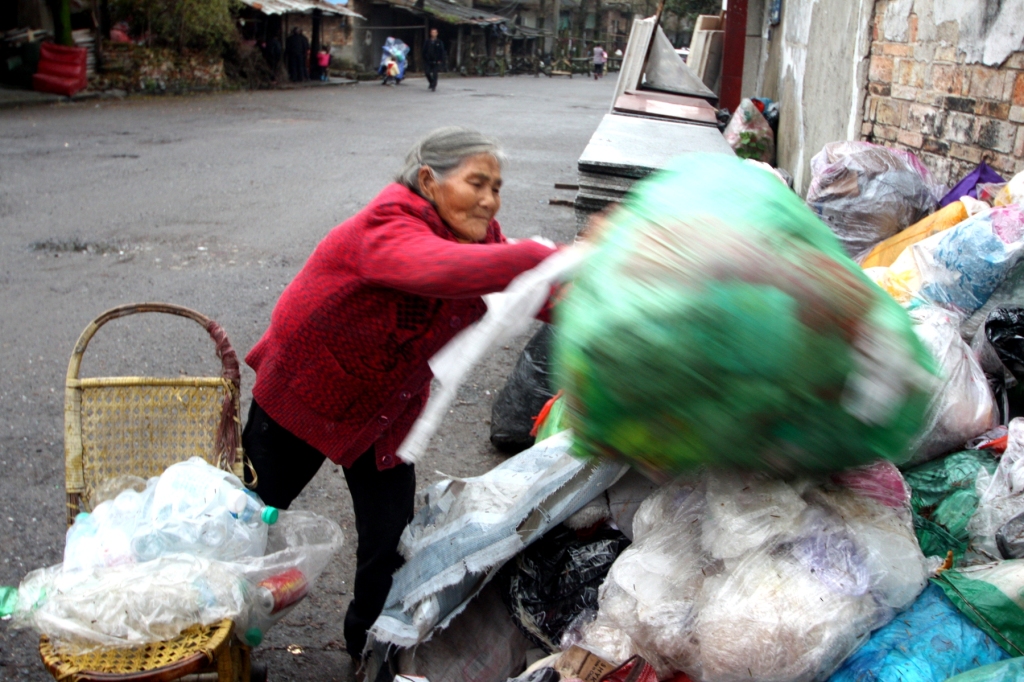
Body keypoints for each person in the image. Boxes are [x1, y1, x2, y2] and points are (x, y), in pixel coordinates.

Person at [241, 128, 560, 667]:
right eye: (477, 183)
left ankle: (366, 651)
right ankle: (214, 631)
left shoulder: (482, 244)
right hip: (307, 394)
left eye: (497, 187)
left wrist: (606, 298)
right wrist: (537, 255)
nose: (489, 199)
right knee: (248, 523)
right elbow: (433, 268)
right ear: (429, 180)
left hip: (385, 411)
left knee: (388, 543)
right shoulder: (387, 224)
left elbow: (538, 293)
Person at [422, 28, 447, 92]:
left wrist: (440, 60)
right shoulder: (427, 41)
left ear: (437, 33)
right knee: (427, 72)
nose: (433, 33)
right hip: (428, 60)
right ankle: (431, 82)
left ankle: (434, 86)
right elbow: (424, 51)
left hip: (436, 60)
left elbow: (442, 51)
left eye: (435, 32)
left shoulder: (439, 42)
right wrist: (425, 58)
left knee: (435, 73)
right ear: (430, 33)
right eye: (432, 32)